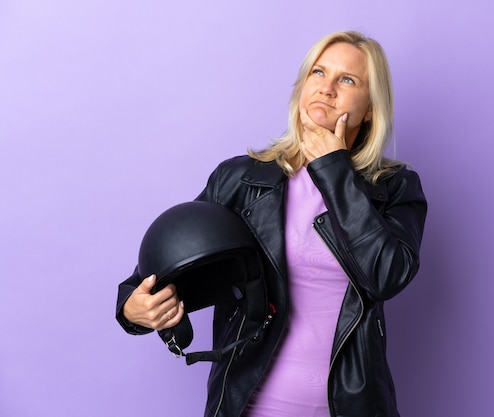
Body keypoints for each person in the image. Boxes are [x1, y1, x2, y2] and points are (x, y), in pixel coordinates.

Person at [116, 30, 427, 417]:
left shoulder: (394, 188)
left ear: (369, 110)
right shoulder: (240, 180)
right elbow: (154, 276)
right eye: (318, 72)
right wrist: (134, 308)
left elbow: (388, 275)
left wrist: (333, 170)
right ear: (301, 86)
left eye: (347, 80)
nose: (327, 88)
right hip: (249, 408)